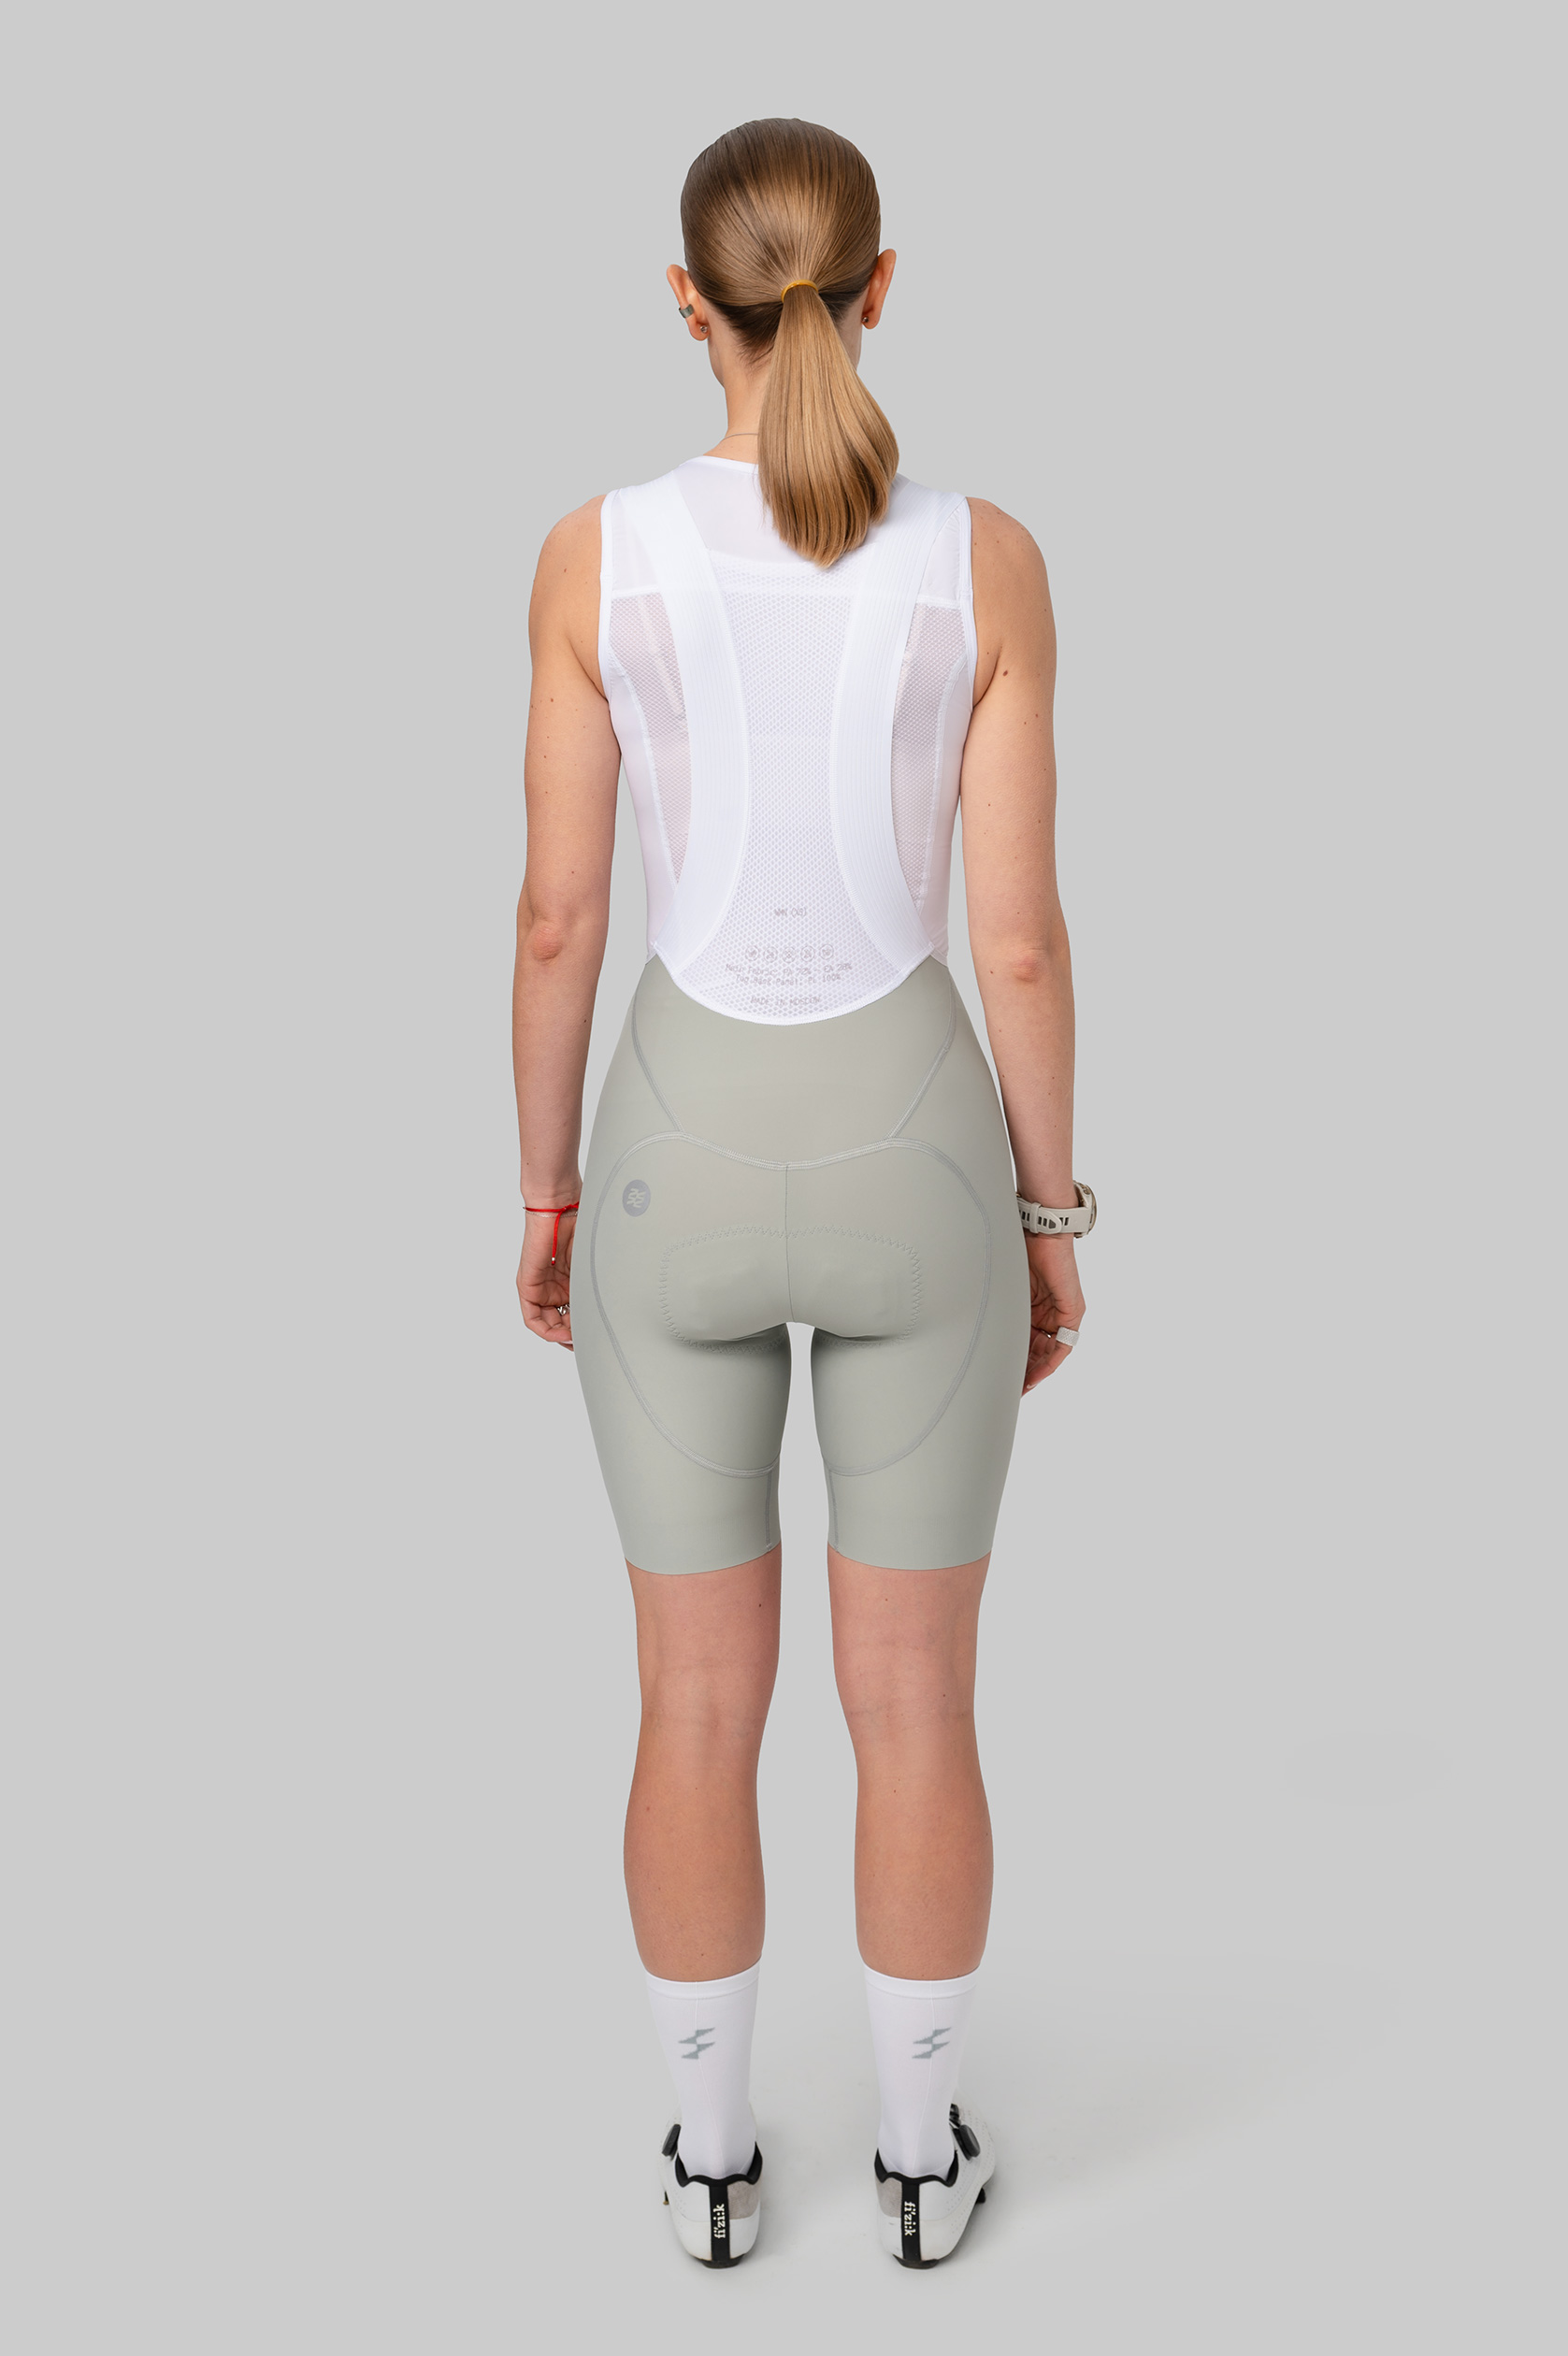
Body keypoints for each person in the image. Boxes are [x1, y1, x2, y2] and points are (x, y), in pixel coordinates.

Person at [511, 116, 1090, 2270]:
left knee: (687, 1701)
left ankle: (705, 2162)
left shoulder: (592, 557)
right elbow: (1013, 941)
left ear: (686, 303)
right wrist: (1045, 1219)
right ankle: (923, 2164)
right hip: (916, 1157)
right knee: (914, 1699)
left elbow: (559, 921)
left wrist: (550, 1191)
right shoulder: (985, 559)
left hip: (670, 1152)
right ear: (880, 286)